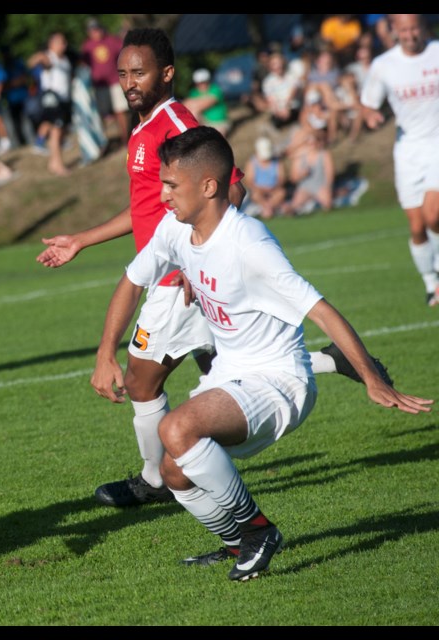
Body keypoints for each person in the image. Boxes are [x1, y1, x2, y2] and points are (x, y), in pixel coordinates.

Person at [37, 27, 388, 511]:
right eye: (122, 74)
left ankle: (154, 480)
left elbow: (232, 189)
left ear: (166, 73)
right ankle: (332, 361)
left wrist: (198, 253)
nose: (128, 82)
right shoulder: (143, 126)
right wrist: (81, 239)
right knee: (224, 368)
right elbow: (144, 209)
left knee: (141, 381)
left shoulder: (176, 123)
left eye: (138, 72)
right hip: (173, 265)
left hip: (173, 277)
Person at [90, 126, 431, 580]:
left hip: (279, 382)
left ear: (208, 186)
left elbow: (321, 309)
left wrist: (371, 376)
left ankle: (259, 531)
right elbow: (133, 280)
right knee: (174, 474)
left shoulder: (249, 243)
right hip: (231, 375)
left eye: (171, 184)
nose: (163, 194)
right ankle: (236, 545)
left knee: (177, 427)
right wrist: (104, 352)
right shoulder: (176, 229)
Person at [360, 14, 439, 307]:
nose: (409, 34)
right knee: (417, 226)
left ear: (423, 27)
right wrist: (371, 116)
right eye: (403, 29)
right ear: (394, 31)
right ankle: (431, 284)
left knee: (434, 214)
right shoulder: (384, 66)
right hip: (407, 151)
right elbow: (367, 104)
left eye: (414, 28)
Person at [28, 31, 73, 177]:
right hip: (53, 100)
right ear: (52, 43)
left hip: (64, 99)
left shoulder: (64, 59)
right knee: (56, 132)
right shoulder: (49, 57)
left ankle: (53, 163)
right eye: (61, 42)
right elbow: (33, 61)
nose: (64, 45)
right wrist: (41, 57)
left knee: (60, 132)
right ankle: (59, 165)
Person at [82, 17, 130, 148]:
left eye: (97, 29)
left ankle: (125, 139)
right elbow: (84, 65)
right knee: (103, 114)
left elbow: (123, 52)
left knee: (120, 110)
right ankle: (104, 142)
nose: (95, 32)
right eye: (92, 30)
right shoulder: (87, 46)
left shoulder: (112, 41)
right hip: (99, 85)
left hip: (115, 81)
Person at [243, 137, 287, 220]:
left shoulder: (277, 162)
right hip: (258, 189)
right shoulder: (252, 162)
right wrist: (259, 188)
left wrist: (274, 187)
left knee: (281, 193)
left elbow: (281, 178)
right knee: (255, 195)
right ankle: (268, 208)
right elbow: (249, 181)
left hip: (273, 188)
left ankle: (268, 208)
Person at [183, 68, 231, 136]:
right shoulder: (193, 92)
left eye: (203, 82)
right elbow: (186, 105)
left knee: (217, 138)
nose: (201, 85)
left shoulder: (215, 89)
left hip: (220, 122)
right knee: (193, 113)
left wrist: (194, 104)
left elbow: (208, 102)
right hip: (204, 121)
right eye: (199, 83)